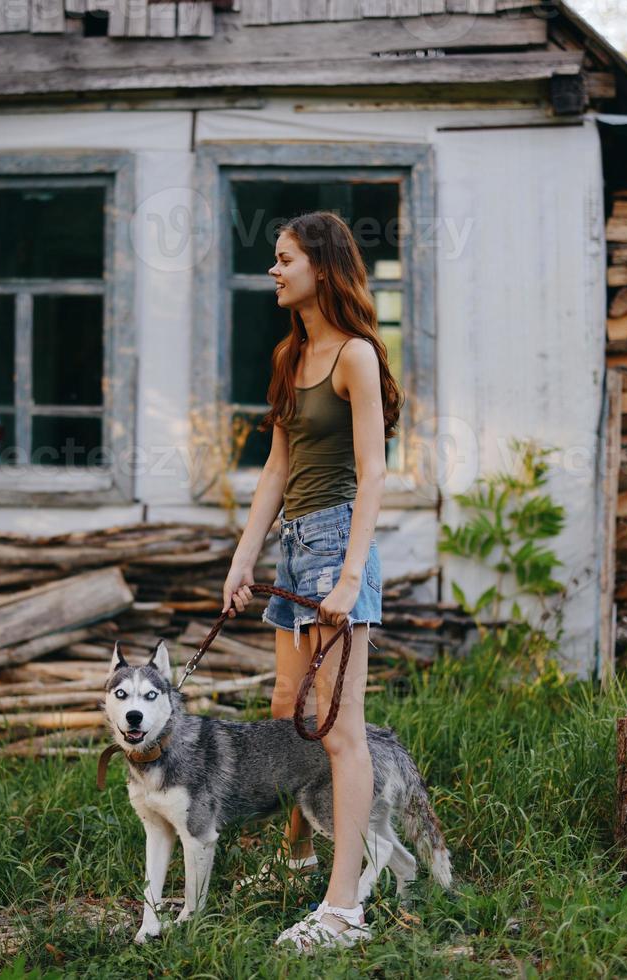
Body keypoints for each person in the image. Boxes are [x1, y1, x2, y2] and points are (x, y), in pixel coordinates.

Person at [221, 210, 405, 951]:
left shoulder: (355, 357)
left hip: (336, 545)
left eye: (285, 258)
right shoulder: (289, 356)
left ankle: (343, 909)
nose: (274, 269)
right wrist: (244, 558)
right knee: (285, 709)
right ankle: (297, 854)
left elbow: (373, 472)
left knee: (338, 729)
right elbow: (276, 468)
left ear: (321, 268)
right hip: (296, 549)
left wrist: (351, 575)